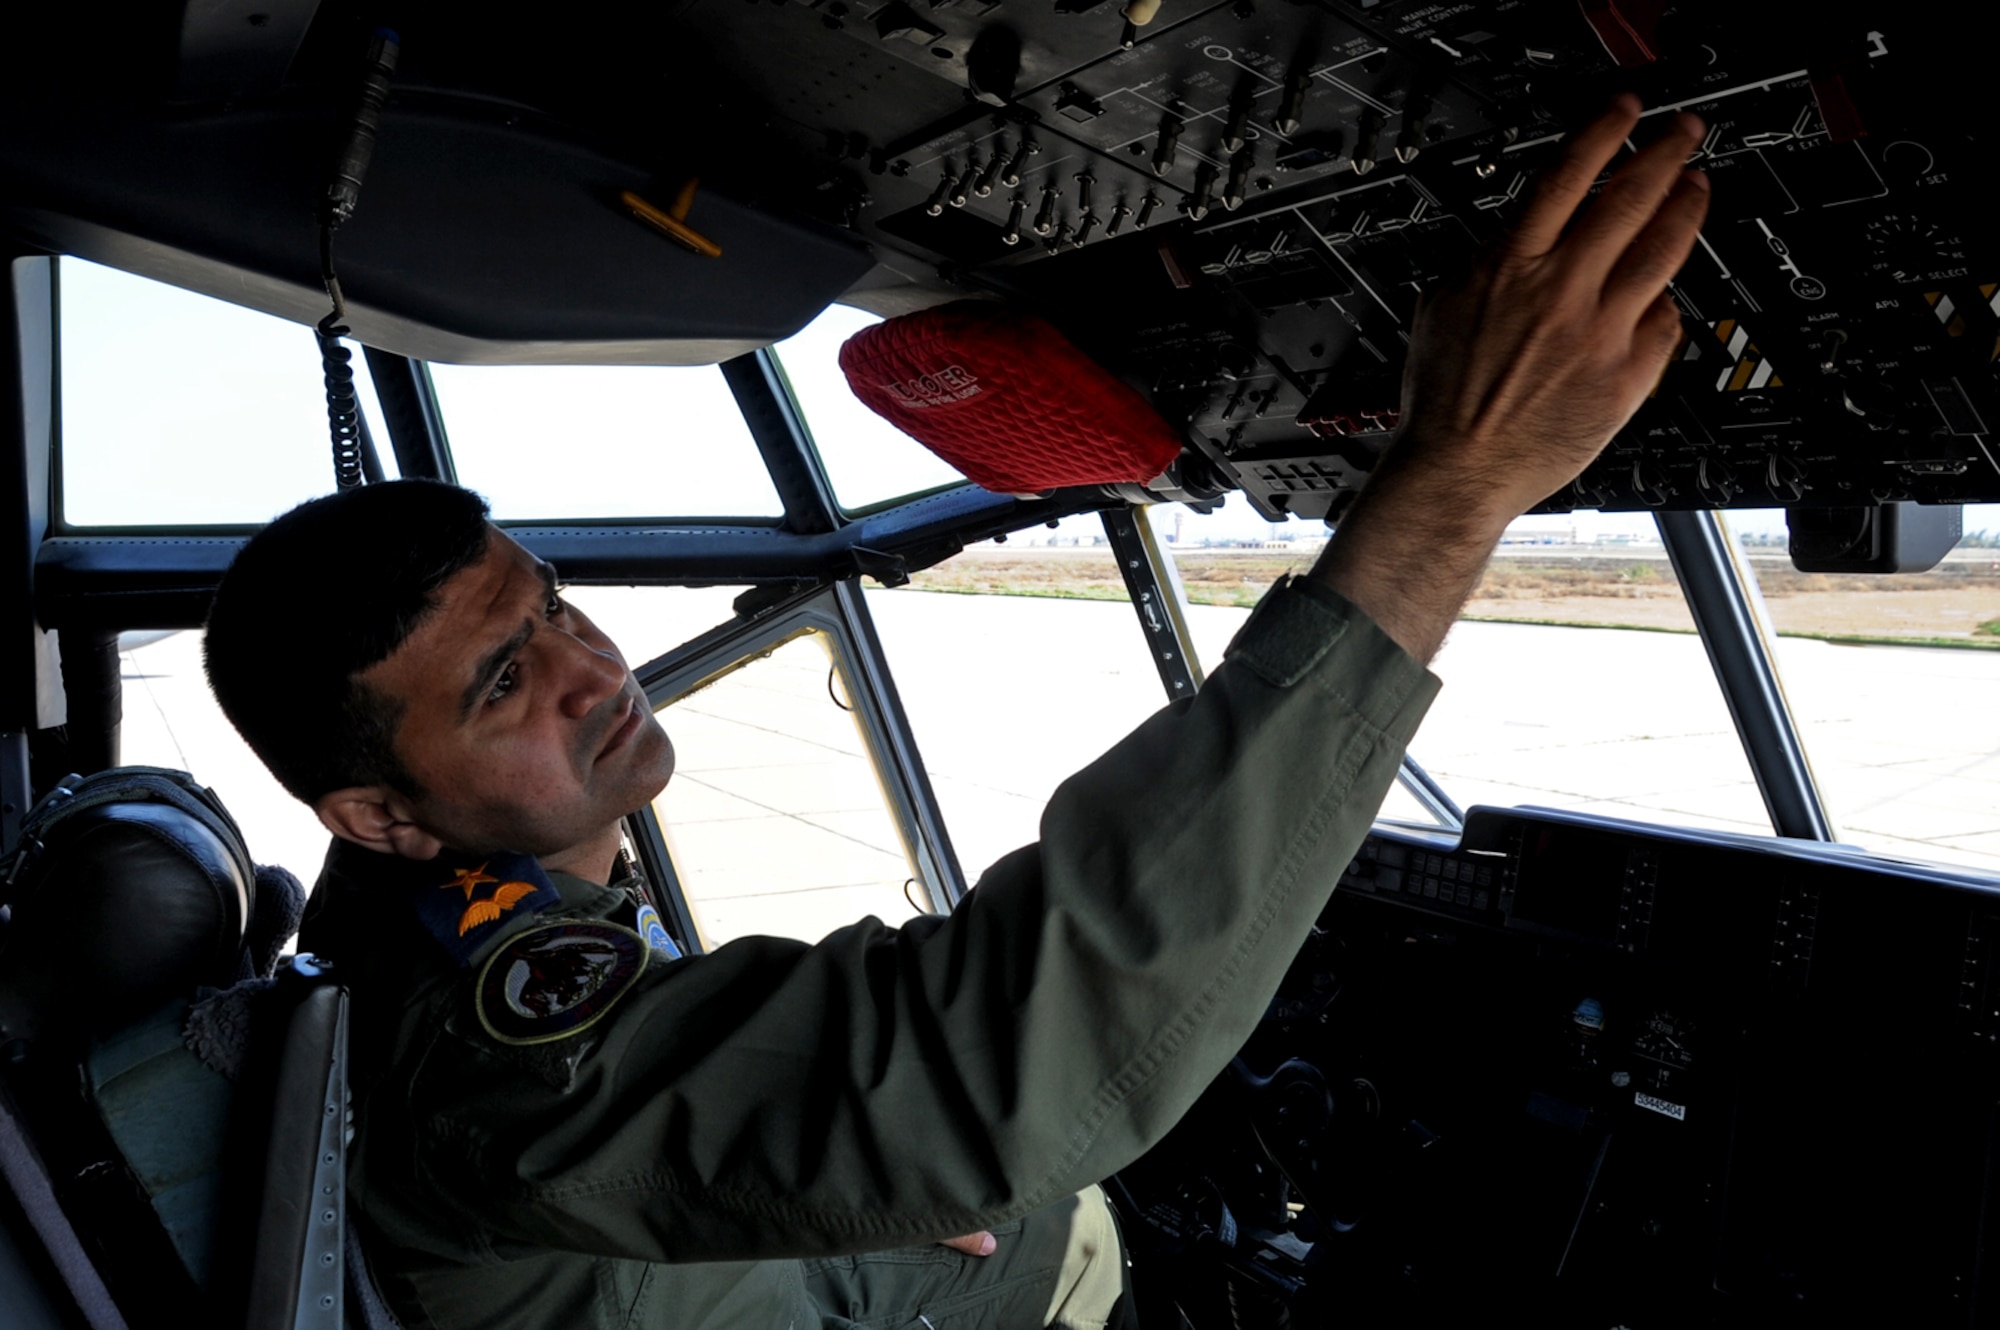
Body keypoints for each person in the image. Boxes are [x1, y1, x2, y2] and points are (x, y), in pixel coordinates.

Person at [202, 96, 1708, 1329]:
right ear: (381, 816)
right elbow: (994, 1069)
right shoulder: (485, 1045)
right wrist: (1452, 484)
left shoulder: (461, 936)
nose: (591, 668)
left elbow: (728, 1159)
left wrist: (887, 1213)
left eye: (551, 607)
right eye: (502, 681)